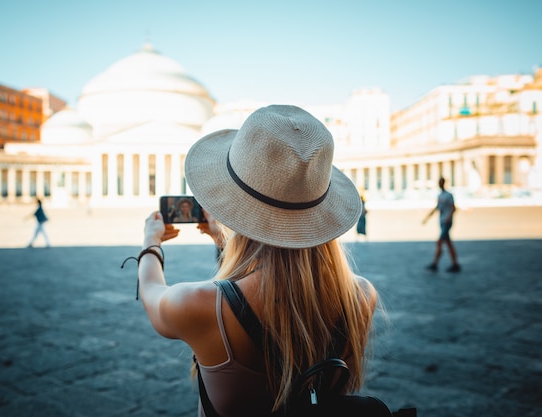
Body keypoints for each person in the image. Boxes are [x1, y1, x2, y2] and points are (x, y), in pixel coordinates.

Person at [134, 105, 378, 416]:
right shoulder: (361, 295)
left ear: (235, 207)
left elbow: (152, 294)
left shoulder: (198, 303)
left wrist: (150, 242)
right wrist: (223, 240)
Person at [422, 177, 460, 272]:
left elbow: (453, 208)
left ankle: (435, 263)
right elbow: (437, 208)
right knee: (448, 243)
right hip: (442, 222)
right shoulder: (440, 196)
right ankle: (455, 264)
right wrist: (427, 218)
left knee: (439, 242)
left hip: (446, 222)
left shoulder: (449, 195)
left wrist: (448, 218)